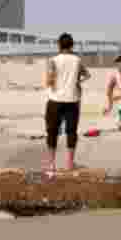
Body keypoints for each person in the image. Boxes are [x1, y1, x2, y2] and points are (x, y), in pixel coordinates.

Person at [43, 33, 91, 172]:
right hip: (72, 100)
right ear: (72, 45)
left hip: (55, 100)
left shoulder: (53, 60)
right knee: (71, 132)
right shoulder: (77, 60)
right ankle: (70, 163)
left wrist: (51, 82)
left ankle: (51, 164)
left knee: (52, 131)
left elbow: (49, 81)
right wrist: (76, 81)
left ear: (59, 45)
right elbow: (87, 75)